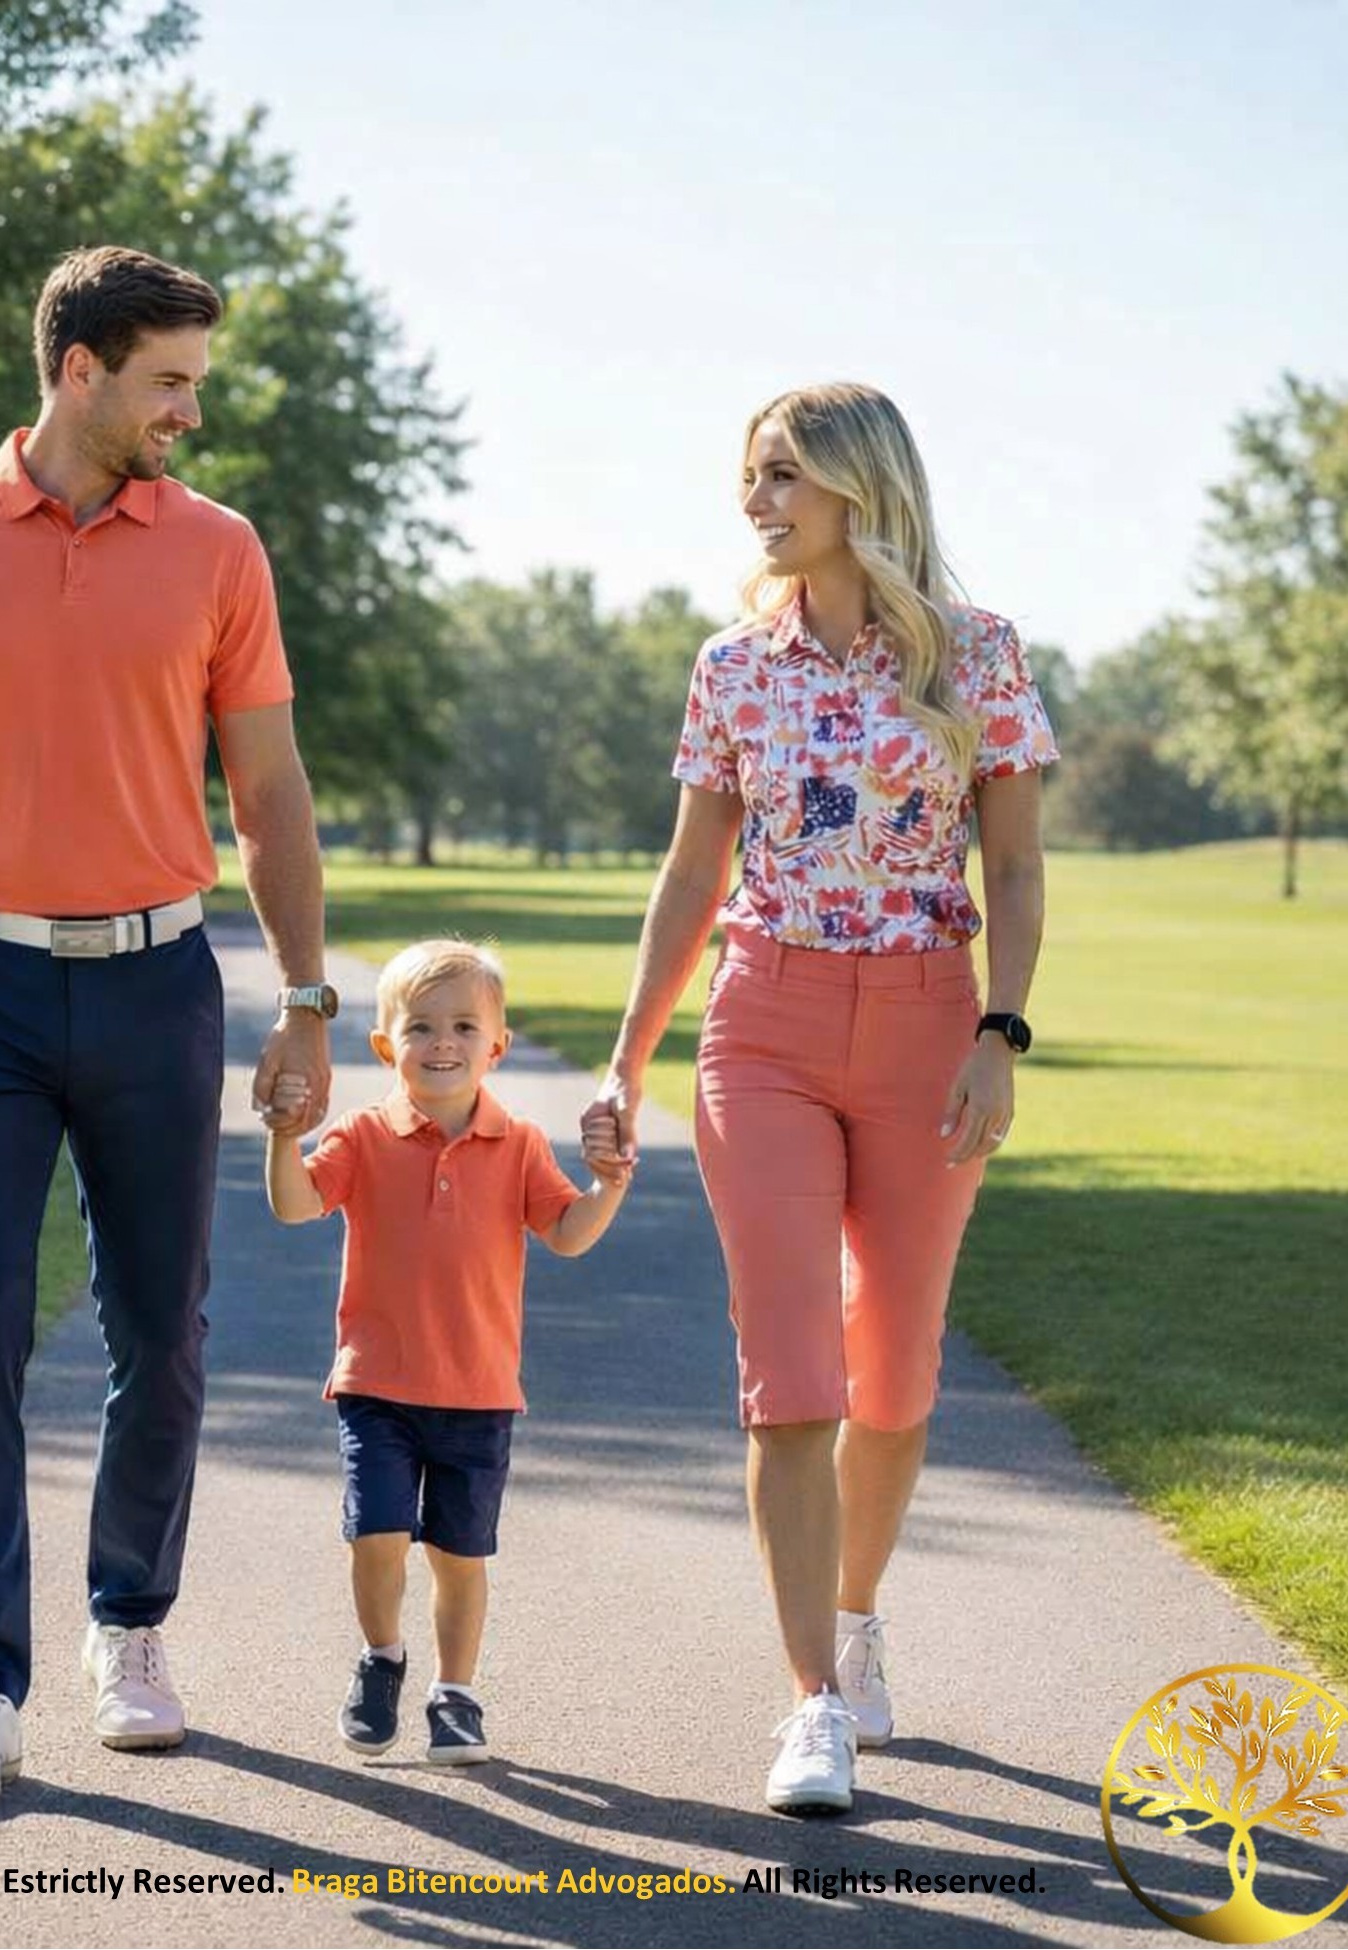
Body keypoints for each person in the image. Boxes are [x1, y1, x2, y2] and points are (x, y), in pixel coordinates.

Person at [0, 245, 334, 1805]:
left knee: (163, 1327)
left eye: (196, 385)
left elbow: (271, 788)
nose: (189, 413)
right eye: (169, 382)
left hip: (162, 979)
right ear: (77, 369)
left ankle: (130, 1625)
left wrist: (301, 995)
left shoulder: (220, 549)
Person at [583, 383, 1056, 1816]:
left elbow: (1019, 870)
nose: (756, 500)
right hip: (765, 1027)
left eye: (781, 473)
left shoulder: (978, 656)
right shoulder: (733, 666)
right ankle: (813, 1704)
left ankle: (854, 1614)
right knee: (792, 1375)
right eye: (750, 475)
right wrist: (625, 1052)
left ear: (860, 485)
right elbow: (690, 874)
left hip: (928, 1024)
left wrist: (1001, 1032)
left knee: (895, 1376)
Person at [265, 941, 628, 1763]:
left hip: (478, 1392)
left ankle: (455, 1693)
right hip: (376, 1386)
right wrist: (285, 1138)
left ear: (496, 1047)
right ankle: (382, 1656)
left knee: (461, 1557)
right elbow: (293, 1207)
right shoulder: (361, 1136)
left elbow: (567, 1235)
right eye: (421, 1027)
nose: (443, 1042)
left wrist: (610, 1186)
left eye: (465, 1025)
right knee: (377, 1537)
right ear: (387, 1047)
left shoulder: (522, 1144)